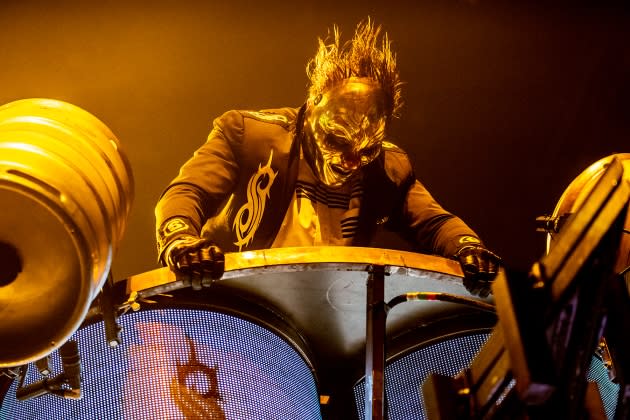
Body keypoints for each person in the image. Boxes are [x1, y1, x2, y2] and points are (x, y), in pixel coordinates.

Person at [155, 19, 500, 297]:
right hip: (234, 301)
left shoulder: (389, 169)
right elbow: (188, 192)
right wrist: (180, 238)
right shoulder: (250, 134)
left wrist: (469, 248)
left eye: (367, 149)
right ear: (313, 102)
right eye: (337, 138)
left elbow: (434, 223)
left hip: (324, 310)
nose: (350, 161)